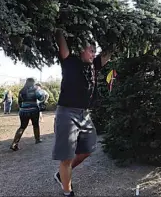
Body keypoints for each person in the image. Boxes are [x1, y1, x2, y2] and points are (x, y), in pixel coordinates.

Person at [52, 28, 112, 197]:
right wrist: (59, 28)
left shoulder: (93, 65)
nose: (94, 54)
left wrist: (115, 37)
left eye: (95, 51)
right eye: (91, 51)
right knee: (67, 157)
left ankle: (60, 175)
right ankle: (67, 191)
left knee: (87, 150)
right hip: (66, 112)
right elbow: (60, 39)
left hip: (84, 114)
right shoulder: (69, 61)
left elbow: (107, 54)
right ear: (81, 50)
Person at [10, 78, 45, 151]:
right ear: (33, 82)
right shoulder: (35, 89)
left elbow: (19, 102)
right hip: (34, 110)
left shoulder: (21, 91)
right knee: (35, 125)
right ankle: (37, 139)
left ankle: (14, 143)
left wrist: (22, 108)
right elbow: (41, 98)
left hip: (23, 111)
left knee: (22, 127)